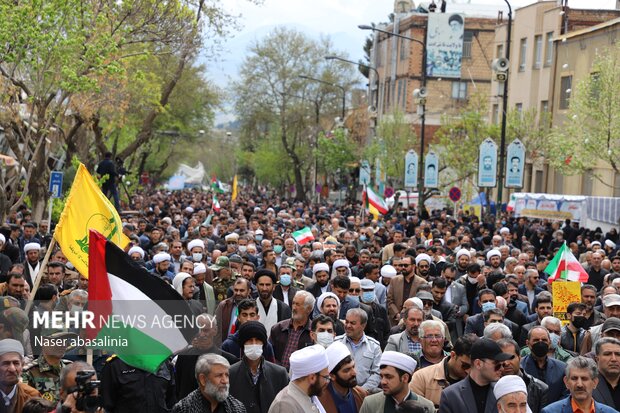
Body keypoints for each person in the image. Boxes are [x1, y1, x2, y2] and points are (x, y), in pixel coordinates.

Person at [439, 338, 514, 413]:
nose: (501, 369)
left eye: (502, 364)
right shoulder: (451, 395)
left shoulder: (504, 392)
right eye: (497, 365)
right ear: (478, 364)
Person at [229, 321, 289, 413]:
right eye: (249, 340)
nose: (254, 344)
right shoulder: (230, 373)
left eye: (257, 340)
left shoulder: (279, 374)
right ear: (243, 344)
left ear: (263, 343)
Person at [410, 333, 477, 407]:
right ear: (453, 355)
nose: (469, 371)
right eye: (465, 365)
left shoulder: (480, 380)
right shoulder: (422, 377)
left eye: (474, 367)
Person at [359, 351, 435, 413]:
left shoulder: (427, 406)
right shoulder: (370, 404)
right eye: (381, 376)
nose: (383, 382)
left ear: (405, 378)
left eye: (389, 377)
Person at [541, 357, 619, 413]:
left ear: (595, 382)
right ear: (566, 382)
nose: (579, 384)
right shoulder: (550, 411)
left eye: (584, 379)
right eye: (574, 378)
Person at [172, 354, 246, 413]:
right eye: (219, 375)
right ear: (203, 379)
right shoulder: (183, 409)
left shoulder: (237, 408)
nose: (225, 381)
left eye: (227, 375)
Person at [268, 344, 330, 413]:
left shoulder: (310, 396)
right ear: (312, 378)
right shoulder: (285, 406)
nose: (327, 382)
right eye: (326, 377)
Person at [335, 308, 382, 391]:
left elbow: (377, 373)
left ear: (363, 325)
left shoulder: (374, 346)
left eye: (352, 323)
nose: (348, 326)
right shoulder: (336, 343)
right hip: (340, 391)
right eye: (347, 322)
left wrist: (362, 391)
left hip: (366, 394)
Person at [497, 338, 549, 413]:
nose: (506, 363)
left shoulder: (540, 388)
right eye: (502, 358)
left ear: (519, 357)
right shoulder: (488, 385)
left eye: (511, 357)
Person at [520, 326, 568, 404]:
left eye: (544, 340)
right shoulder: (520, 367)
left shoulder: (562, 368)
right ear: (528, 343)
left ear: (549, 343)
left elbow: (566, 394)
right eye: (536, 340)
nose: (540, 342)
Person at [318, 341, 368, 413]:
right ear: (332, 376)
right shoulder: (319, 400)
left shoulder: (362, 395)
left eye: (353, 367)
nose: (354, 373)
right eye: (347, 370)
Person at [269, 290, 314, 370]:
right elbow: (269, 353)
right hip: (277, 375)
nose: (294, 307)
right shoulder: (278, 328)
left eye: (298, 304)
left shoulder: (313, 332)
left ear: (309, 309)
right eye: (293, 303)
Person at [0, 339, 40, 412]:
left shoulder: (32, 397)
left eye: (16, 363)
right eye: (6, 363)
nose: (12, 369)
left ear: (22, 365)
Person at [592, 337, 620, 409]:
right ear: (597, 359)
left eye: (618, 354)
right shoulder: (587, 384)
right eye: (607, 354)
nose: (614, 359)